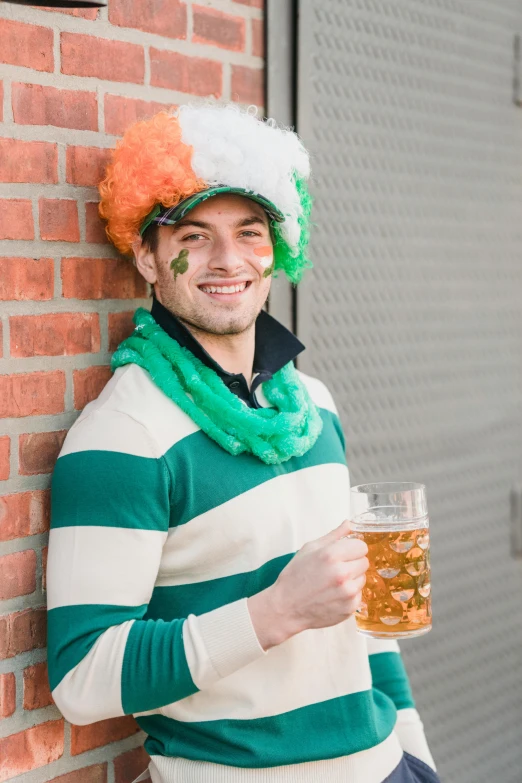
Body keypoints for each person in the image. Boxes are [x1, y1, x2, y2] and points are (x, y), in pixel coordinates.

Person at [46, 104, 440, 783]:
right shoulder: (124, 433)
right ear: (146, 253)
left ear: (276, 249)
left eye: (249, 232)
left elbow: (358, 610)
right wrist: (275, 611)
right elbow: (83, 677)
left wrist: (416, 755)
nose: (228, 260)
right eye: (193, 235)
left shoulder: (312, 402)